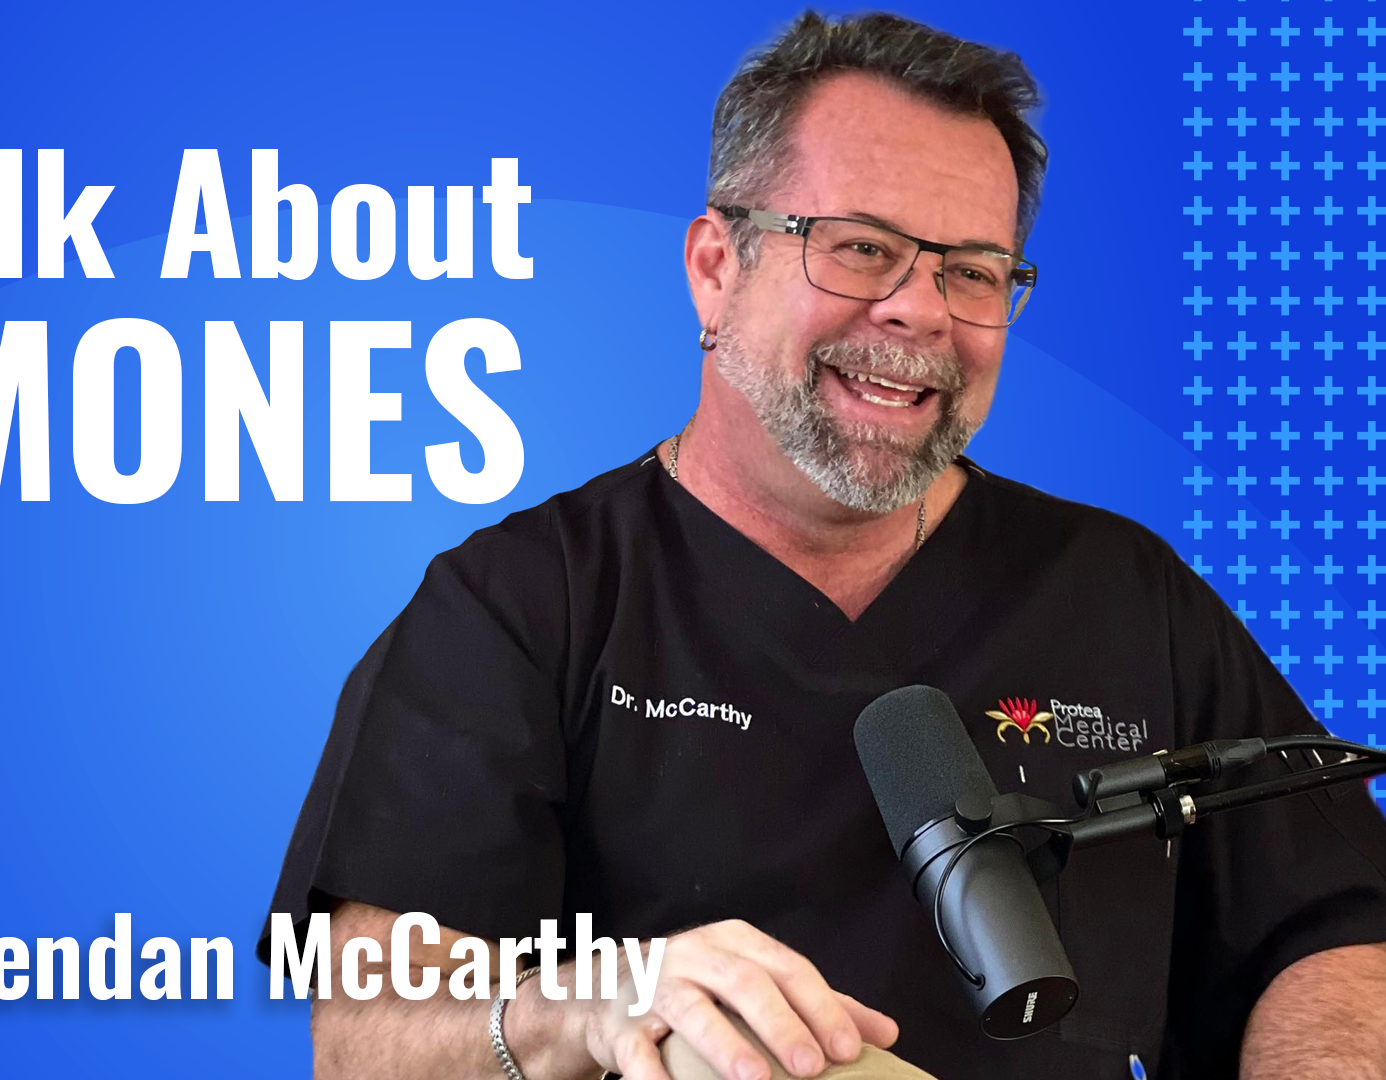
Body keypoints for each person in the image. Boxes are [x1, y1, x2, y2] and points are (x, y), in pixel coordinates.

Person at [259, 12, 1386, 1080]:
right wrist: (591, 1004)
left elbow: (1334, 933)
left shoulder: (1129, 593)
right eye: (860, 248)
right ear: (715, 266)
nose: (921, 311)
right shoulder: (520, 604)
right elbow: (368, 1033)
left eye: (974, 270)